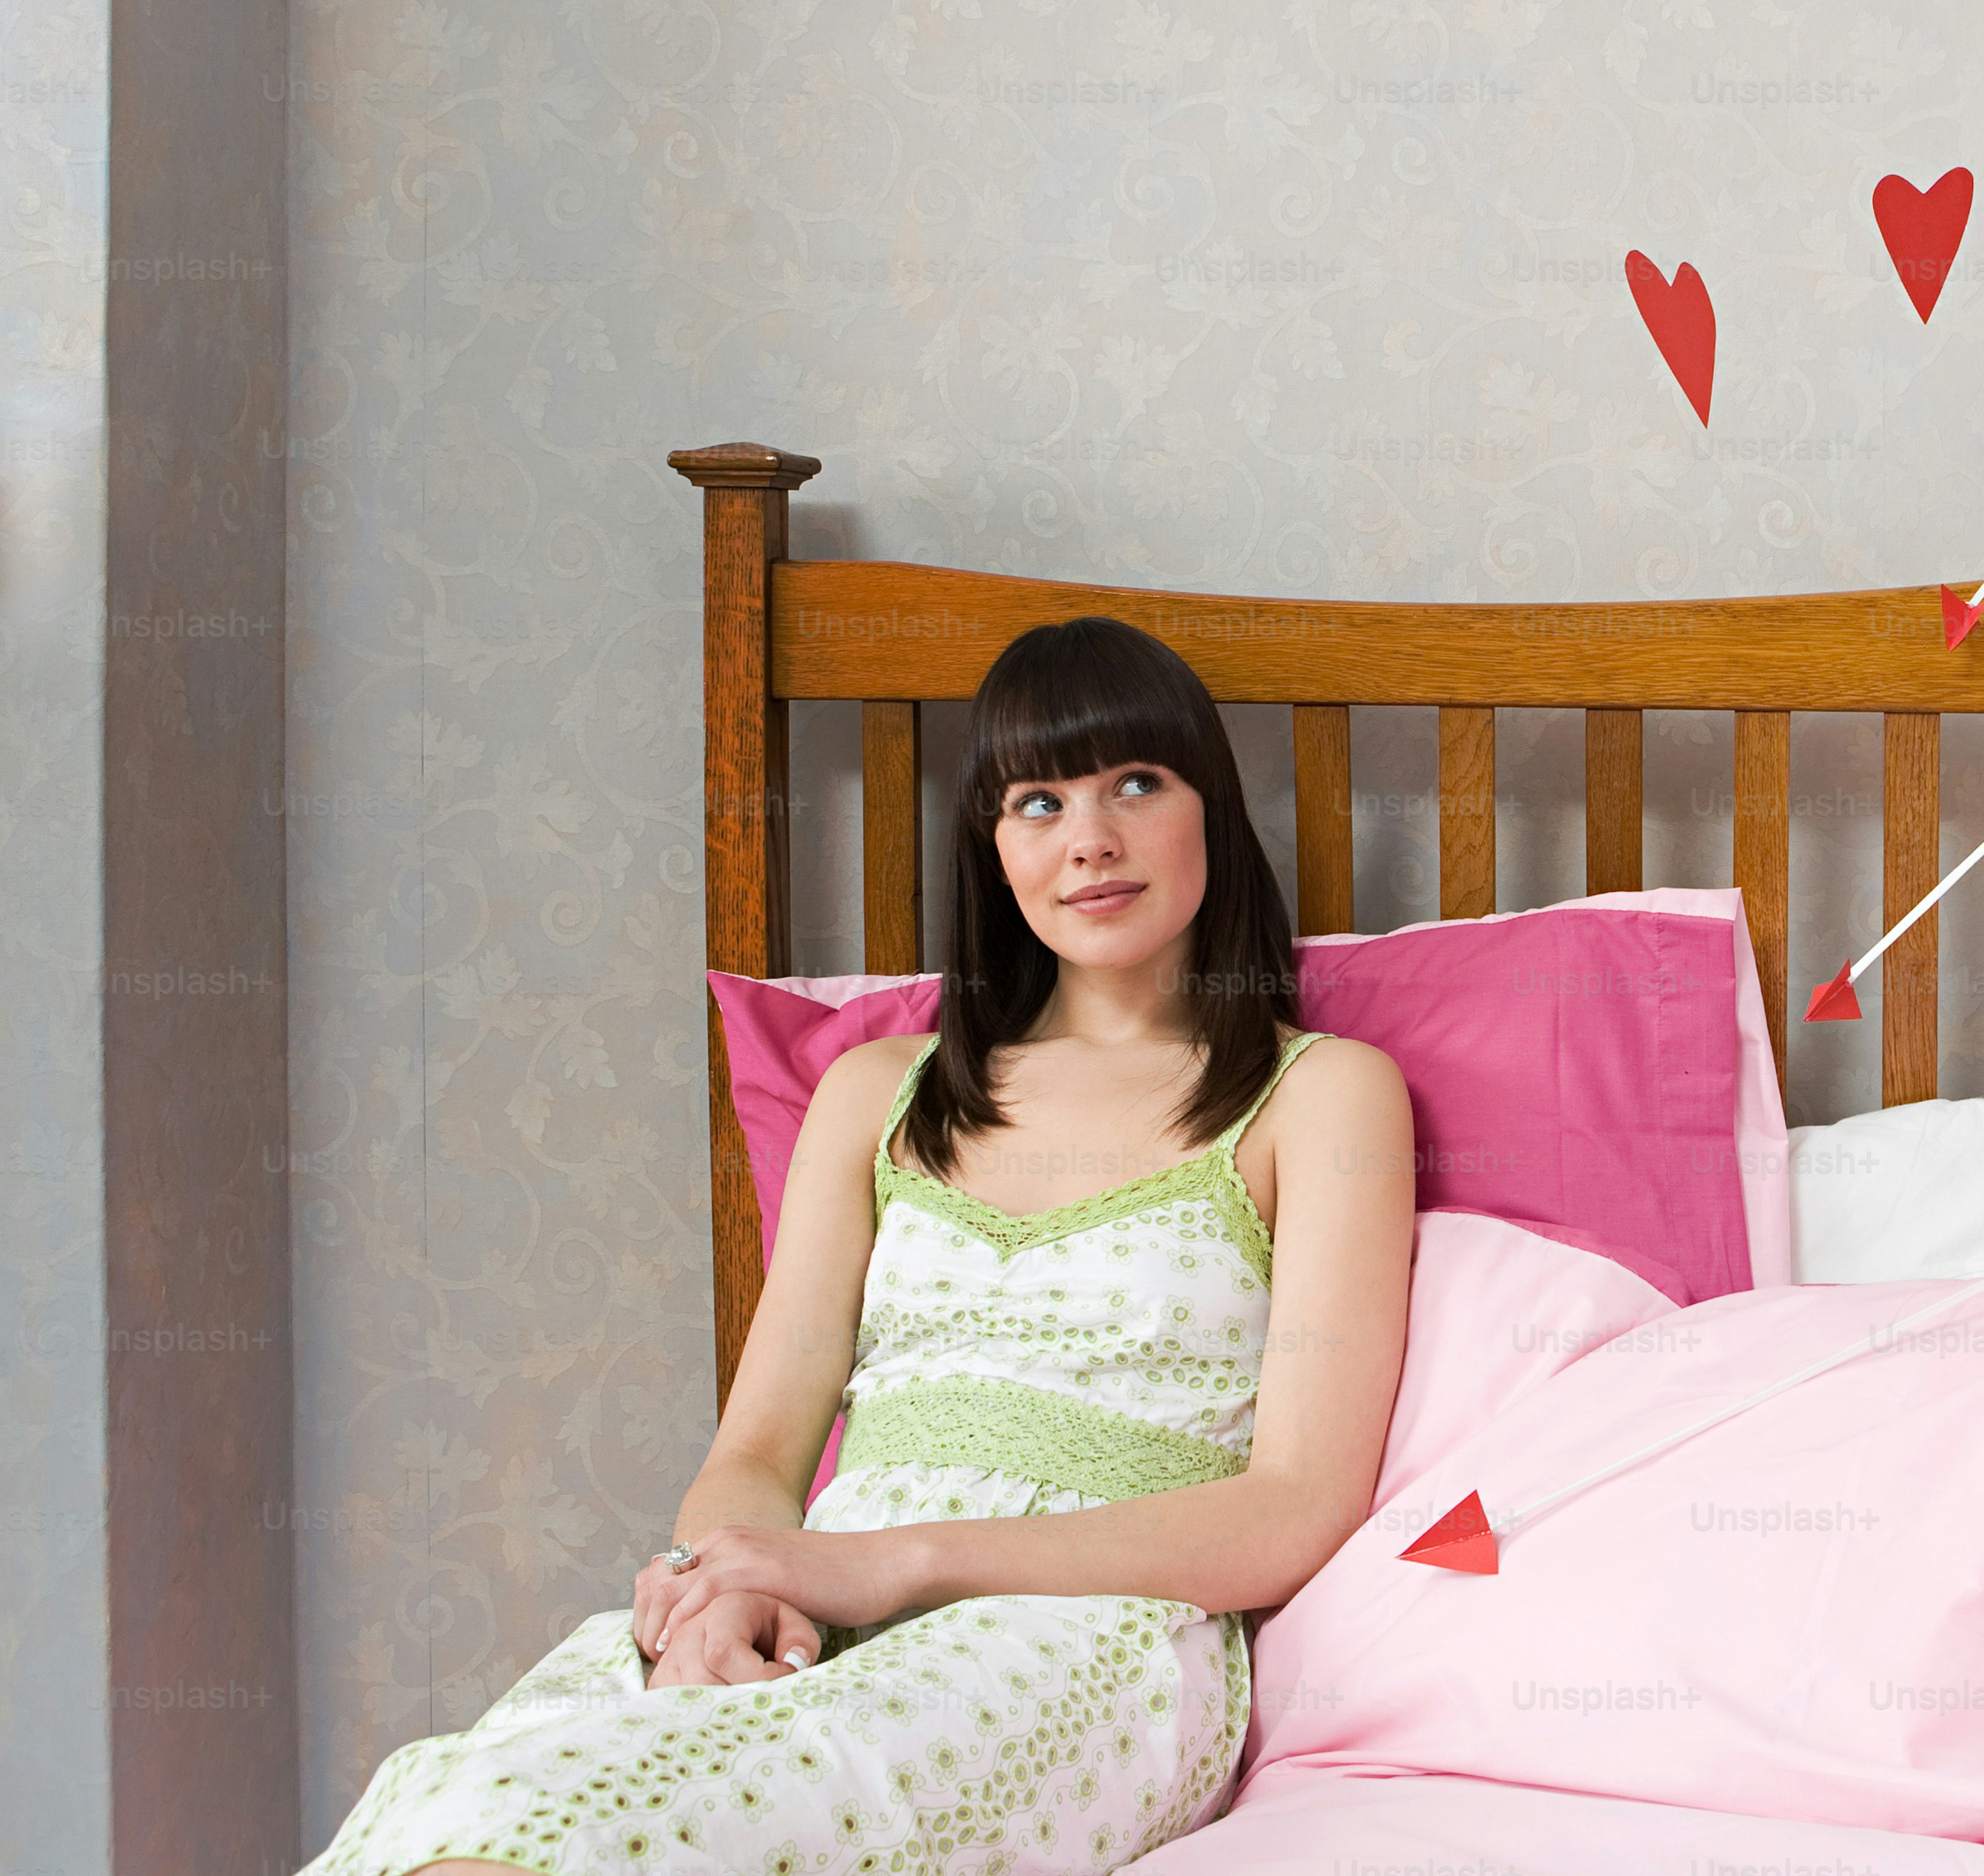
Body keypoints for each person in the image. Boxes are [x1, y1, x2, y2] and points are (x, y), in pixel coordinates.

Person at [307, 616, 1416, 1875]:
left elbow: (1294, 1508)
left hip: (1090, 1628)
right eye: (1038, 802)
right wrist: (735, 1582)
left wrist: (892, 1567)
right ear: (991, 851)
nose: (1091, 840)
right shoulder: (879, 1094)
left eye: (1138, 785)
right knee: (471, 1812)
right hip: (812, 1591)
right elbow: (757, 1453)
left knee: (681, 1834)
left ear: (1210, 808)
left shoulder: (1321, 1095)